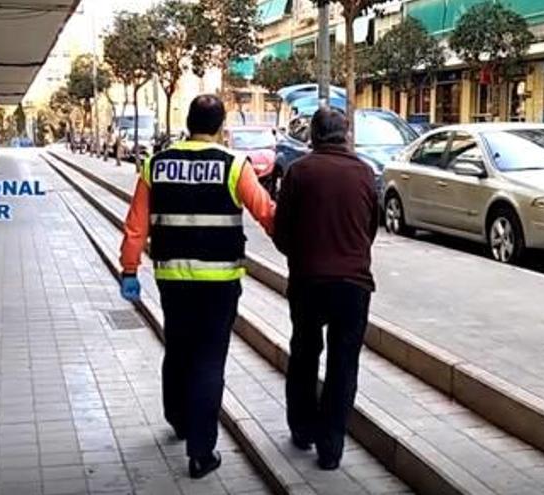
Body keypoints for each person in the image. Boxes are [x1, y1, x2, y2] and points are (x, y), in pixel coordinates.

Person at [119, 95, 275, 479]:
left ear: (188, 122)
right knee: (208, 360)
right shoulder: (234, 165)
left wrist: (129, 269)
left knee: (178, 349)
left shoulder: (156, 165)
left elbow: (136, 224)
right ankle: (201, 452)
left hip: (172, 278)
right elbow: (266, 213)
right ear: (221, 126)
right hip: (219, 283)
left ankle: (178, 419)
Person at [274, 108, 378, 470]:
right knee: (343, 363)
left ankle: (302, 429)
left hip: (308, 281)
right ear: (345, 135)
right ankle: (331, 448)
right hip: (354, 284)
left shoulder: (299, 172)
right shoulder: (365, 173)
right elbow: (370, 228)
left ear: (313, 136)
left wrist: (303, 256)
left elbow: (281, 232)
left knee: (304, 352)